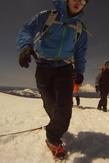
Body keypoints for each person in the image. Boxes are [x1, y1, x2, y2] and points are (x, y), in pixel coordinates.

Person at [16, 0, 89, 159]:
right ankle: (56, 123)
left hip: (65, 69)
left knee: (64, 109)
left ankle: (53, 137)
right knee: (51, 105)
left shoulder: (80, 28)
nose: (79, 2)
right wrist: (25, 47)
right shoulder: (47, 16)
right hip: (43, 67)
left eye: (84, 1)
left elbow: (80, 53)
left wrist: (80, 71)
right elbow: (27, 30)